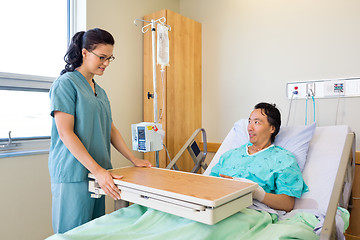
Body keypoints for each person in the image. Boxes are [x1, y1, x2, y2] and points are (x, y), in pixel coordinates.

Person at [48, 28, 151, 234]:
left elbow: (110, 128)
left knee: (94, 232)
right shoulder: (66, 84)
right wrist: (97, 171)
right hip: (74, 173)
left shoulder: (99, 91)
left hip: (100, 174)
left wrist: (133, 159)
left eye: (109, 58)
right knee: (72, 233)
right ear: (85, 53)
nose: (106, 63)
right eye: (102, 57)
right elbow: (65, 133)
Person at [210, 102, 308, 212]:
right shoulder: (230, 155)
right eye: (249, 122)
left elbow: (287, 204)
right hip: (216, 208)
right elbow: (208, 184)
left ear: (272, 128)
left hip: (252, 212)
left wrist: (257, 193)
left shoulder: (283, 159)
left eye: (256, 122)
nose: (249, 128)